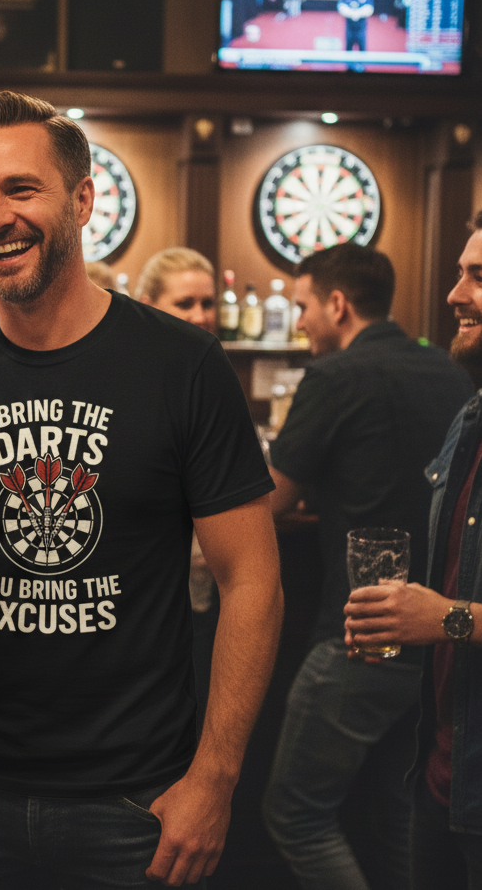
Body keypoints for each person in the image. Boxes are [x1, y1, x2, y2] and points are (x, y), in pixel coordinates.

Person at [0, 91, 283, 889]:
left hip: (136, 794)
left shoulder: (183, 364)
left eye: (21, 189)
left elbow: (252, 580)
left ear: (82, 199)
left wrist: (213, 780)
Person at [262, 242, 473, 890]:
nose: (298, 323)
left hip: (360, 633)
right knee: (396, 816)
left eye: (302, 307)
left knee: (294, 810)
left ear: (336, 303)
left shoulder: (333, 376)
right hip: (433, 651)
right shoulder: (449, 369)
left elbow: (269, 500)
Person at [344, 212, 482, 889]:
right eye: (460, 272)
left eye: (479, 276)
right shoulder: (470, 417)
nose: (455, 293)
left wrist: (447, 618)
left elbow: (451, 610)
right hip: (441, 776)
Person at [135, 248, 219, 724]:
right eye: (185, 304)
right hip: (136, 611)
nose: (201, 316)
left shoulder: (210, 378)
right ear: (147, 305)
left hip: (197, 604)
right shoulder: (131, 380)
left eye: (208, 304)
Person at [337, 0, 374, 66]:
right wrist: (352, 14)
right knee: (348, 49)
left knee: (362, 49)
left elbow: (369, 9)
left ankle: (362, 67)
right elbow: (341, 8)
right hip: (349, 28)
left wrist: (358, 13)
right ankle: (349, 67)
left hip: (361, 28)